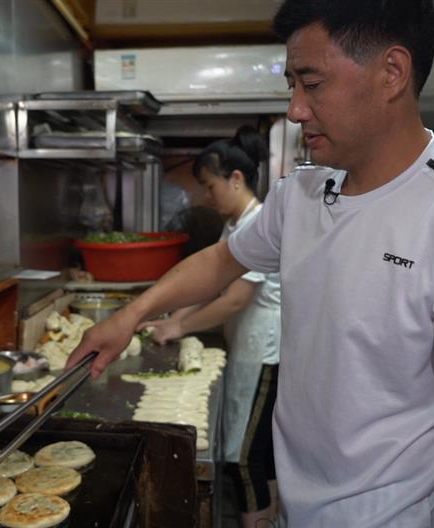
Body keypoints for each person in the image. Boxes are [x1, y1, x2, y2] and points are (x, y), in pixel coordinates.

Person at [68, 0, 434, 526]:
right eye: (291, 85)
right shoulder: (302, 194)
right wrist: (131, 316)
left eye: (311, 84)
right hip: (298, 510)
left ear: (391, 72)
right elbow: (224, 259)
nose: (295, 109)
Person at [138, 126, 282, 528]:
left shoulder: (257, 223)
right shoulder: (236, 224)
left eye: (210, 185)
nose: (206, 195)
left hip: (266, 351)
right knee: (260, 451)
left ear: (236, 179)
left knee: (246, 456)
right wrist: (175, 318)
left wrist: (179, 330)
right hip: (249, 346)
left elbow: (236, 298)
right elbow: (215, 280)